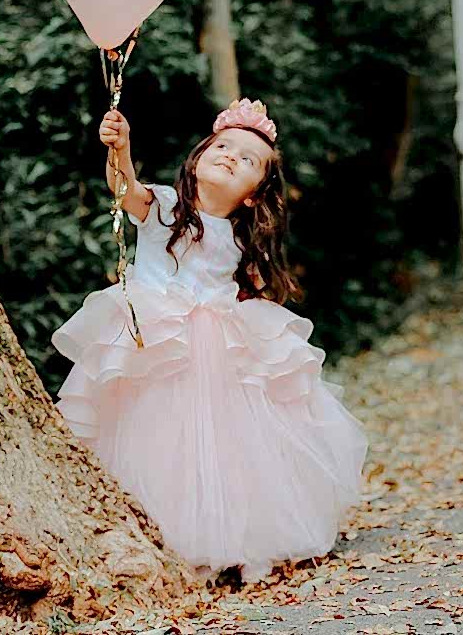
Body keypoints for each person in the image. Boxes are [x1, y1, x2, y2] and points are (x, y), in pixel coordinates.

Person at [51, 97, 368, 584]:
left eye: (248, 160)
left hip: (216, 351)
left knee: (224, 445)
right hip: (156, 345)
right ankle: (156, 533)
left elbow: (249, 287)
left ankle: (226, 539)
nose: (230, 157)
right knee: (155, 438)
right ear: (198, 158)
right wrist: (121, 148)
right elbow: (123, 188)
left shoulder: (243, 239)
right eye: (222, 147)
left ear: (254, 195)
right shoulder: (164, 207)